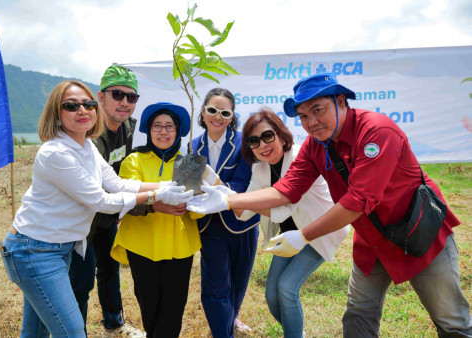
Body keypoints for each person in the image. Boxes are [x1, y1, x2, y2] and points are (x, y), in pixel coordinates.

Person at [187, 73, 472, 336]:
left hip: (417, 233)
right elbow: (287, 189)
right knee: (359, 315)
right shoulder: (315, 145)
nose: (311, 122)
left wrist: (303, 235)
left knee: (451, 320)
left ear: (340, 101)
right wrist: (227, 199)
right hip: (372, 242)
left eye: (318, 110)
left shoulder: (376, 132)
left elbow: (358, 201)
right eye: (303, 116)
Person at [0, 81, 192, 337]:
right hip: (35, 249)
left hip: (57, 247)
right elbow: (101, 201)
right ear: (56, 113)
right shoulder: (56, 153)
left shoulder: (86, 146)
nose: (83, 110)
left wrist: (167, 184)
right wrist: (157, 195)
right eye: (71, 105)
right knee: (72, 331)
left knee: (36, 332)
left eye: (88, 104)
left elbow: (117, 183)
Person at [236, 107, 349, 337]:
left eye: (267, 136)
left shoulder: (301, 157)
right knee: (271, 296)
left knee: (287, 289)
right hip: (288, 237)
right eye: (254, 141)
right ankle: (296, 332)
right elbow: (244, 211)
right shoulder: (259, 169)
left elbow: (284, 206)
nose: (263, 146)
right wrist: (219, 192)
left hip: (317, 232)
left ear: (281, 134)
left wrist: (230, 200)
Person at [111, 102, 202, 338]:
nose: (163, 131)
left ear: (178, 131)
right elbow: (126, 200)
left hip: (179, 246)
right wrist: (154, 206)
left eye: (169, 126)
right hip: (142, 245)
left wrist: (197, 201)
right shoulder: (135, 160)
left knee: (173, 308)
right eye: (157, 126)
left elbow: (197, 210)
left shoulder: (189, 163)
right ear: (148, 130)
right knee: (149, 306)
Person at [68, 65, 145, 337]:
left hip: (109, 216)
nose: (125, 102)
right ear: (101, 97)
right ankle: (77, 332)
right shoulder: (86, 130)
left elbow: (124, 173)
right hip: (83, 220)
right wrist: (141, 200)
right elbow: (94, 187)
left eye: (131, 97)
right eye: (118, 95)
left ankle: (114, 324)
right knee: (81, 281)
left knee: (110, 269)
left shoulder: (129, 129)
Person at [190, 88, 260, 338]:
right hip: (209, 227)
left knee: (239, 281)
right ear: (203, 111)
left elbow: (247, 185)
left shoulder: (245, 143)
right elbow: (189, 188)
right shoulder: (192, 145)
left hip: (242, 223)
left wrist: (219, 189)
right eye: (212, 110)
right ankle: (222, 332)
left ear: (232, 116)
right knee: (215, 286)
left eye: (224, 112)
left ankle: (231, 317)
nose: (217, 116)